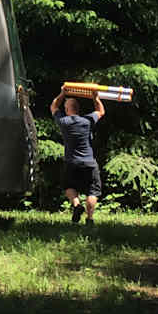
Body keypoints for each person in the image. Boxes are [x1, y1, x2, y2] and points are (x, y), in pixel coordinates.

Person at [50, 90, 105, 225]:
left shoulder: (63, 121)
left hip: (71, 162)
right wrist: (95, 98)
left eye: (65, 107)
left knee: (69, 186)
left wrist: (62, 93)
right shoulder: (87, 121)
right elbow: (101, 111)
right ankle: (90, 219)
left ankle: (76, 205)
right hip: (89, 162)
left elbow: (53, 106)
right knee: (92, 191)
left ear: (68, 109)